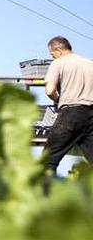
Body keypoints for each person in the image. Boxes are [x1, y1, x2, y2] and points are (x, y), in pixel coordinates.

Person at [42, 35, 93, 174]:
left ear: (58, 51)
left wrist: (58, 100)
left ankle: (44, 194)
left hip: (70, 114)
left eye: (52, 55)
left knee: (47, 160)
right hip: (91, 114)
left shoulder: (59, 62)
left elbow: (50, 90)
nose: (53, 58)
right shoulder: (89, 63)